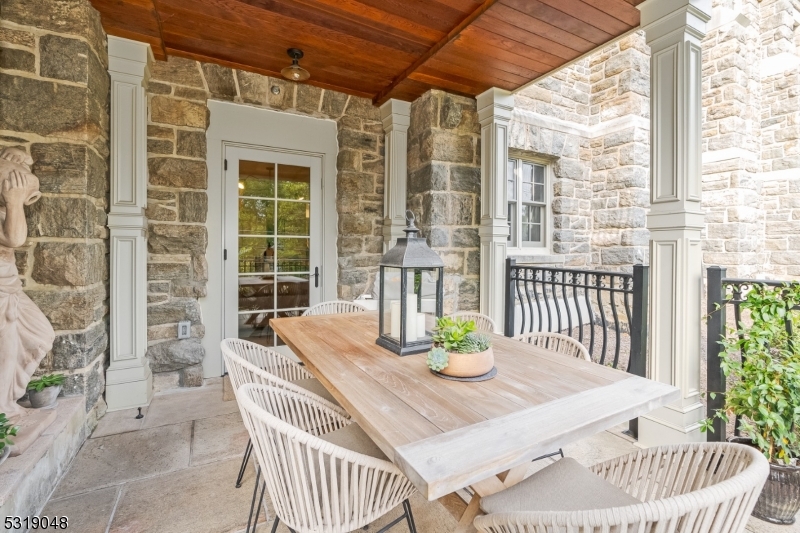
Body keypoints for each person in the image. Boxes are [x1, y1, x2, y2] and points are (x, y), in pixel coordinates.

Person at [0, 147, 55, 420]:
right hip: (2, 291)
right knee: (6, 351)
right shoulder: (7, 208)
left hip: (9, 287)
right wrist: (14, 201)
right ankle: (5, 411)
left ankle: (7, 403)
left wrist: (14, 202)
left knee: (41, 335)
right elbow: (14, 239)